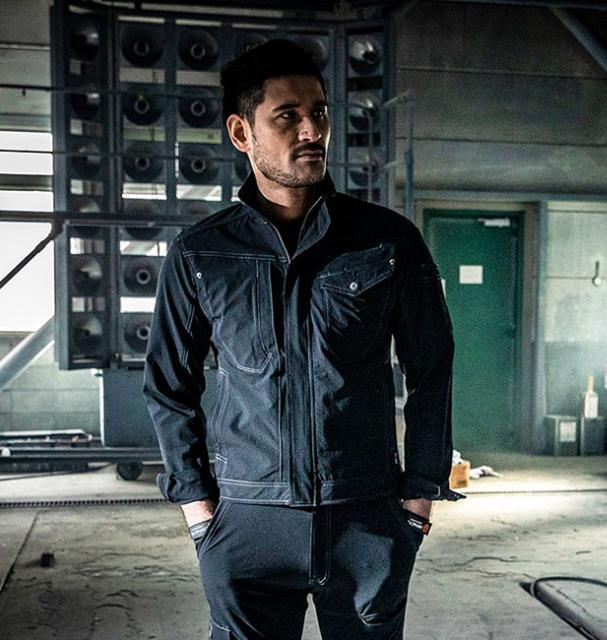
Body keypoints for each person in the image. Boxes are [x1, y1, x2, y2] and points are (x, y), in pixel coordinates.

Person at [142, 38, 460, 640]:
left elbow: (432, 368)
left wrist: (418, 500)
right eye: (287, 116)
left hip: (364, 516)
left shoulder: (387, 241)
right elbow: (167, 386)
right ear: (242, 133)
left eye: (319, 113)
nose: (312, 130)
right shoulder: (202, 253)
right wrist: (198, 511)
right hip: (248, 522)